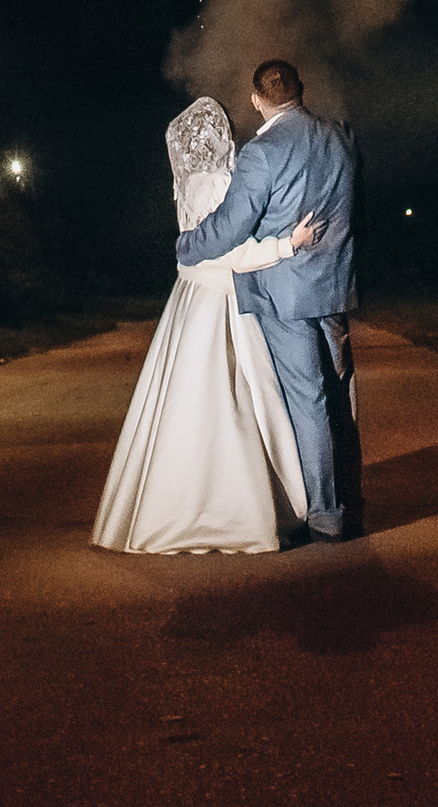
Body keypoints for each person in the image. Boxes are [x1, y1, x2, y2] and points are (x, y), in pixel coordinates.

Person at [91, 95, 313, 554]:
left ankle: (166, 506)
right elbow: (230, 249)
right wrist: (287, 245)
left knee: (182, 400)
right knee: (225, 402)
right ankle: (226, 514)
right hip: (220, 300)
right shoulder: (217, 182)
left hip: (189, 298)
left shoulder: (188, 182)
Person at [170, 58, 359, 544]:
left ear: (257, 99)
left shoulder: (263, 151)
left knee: (307, 400)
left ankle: (324, 514)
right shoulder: (341, 137)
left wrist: (186, 246)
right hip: (333, 286)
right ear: (301, 88)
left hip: (284, 290)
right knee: (337, 394)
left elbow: (230, 227)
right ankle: (342, 496)